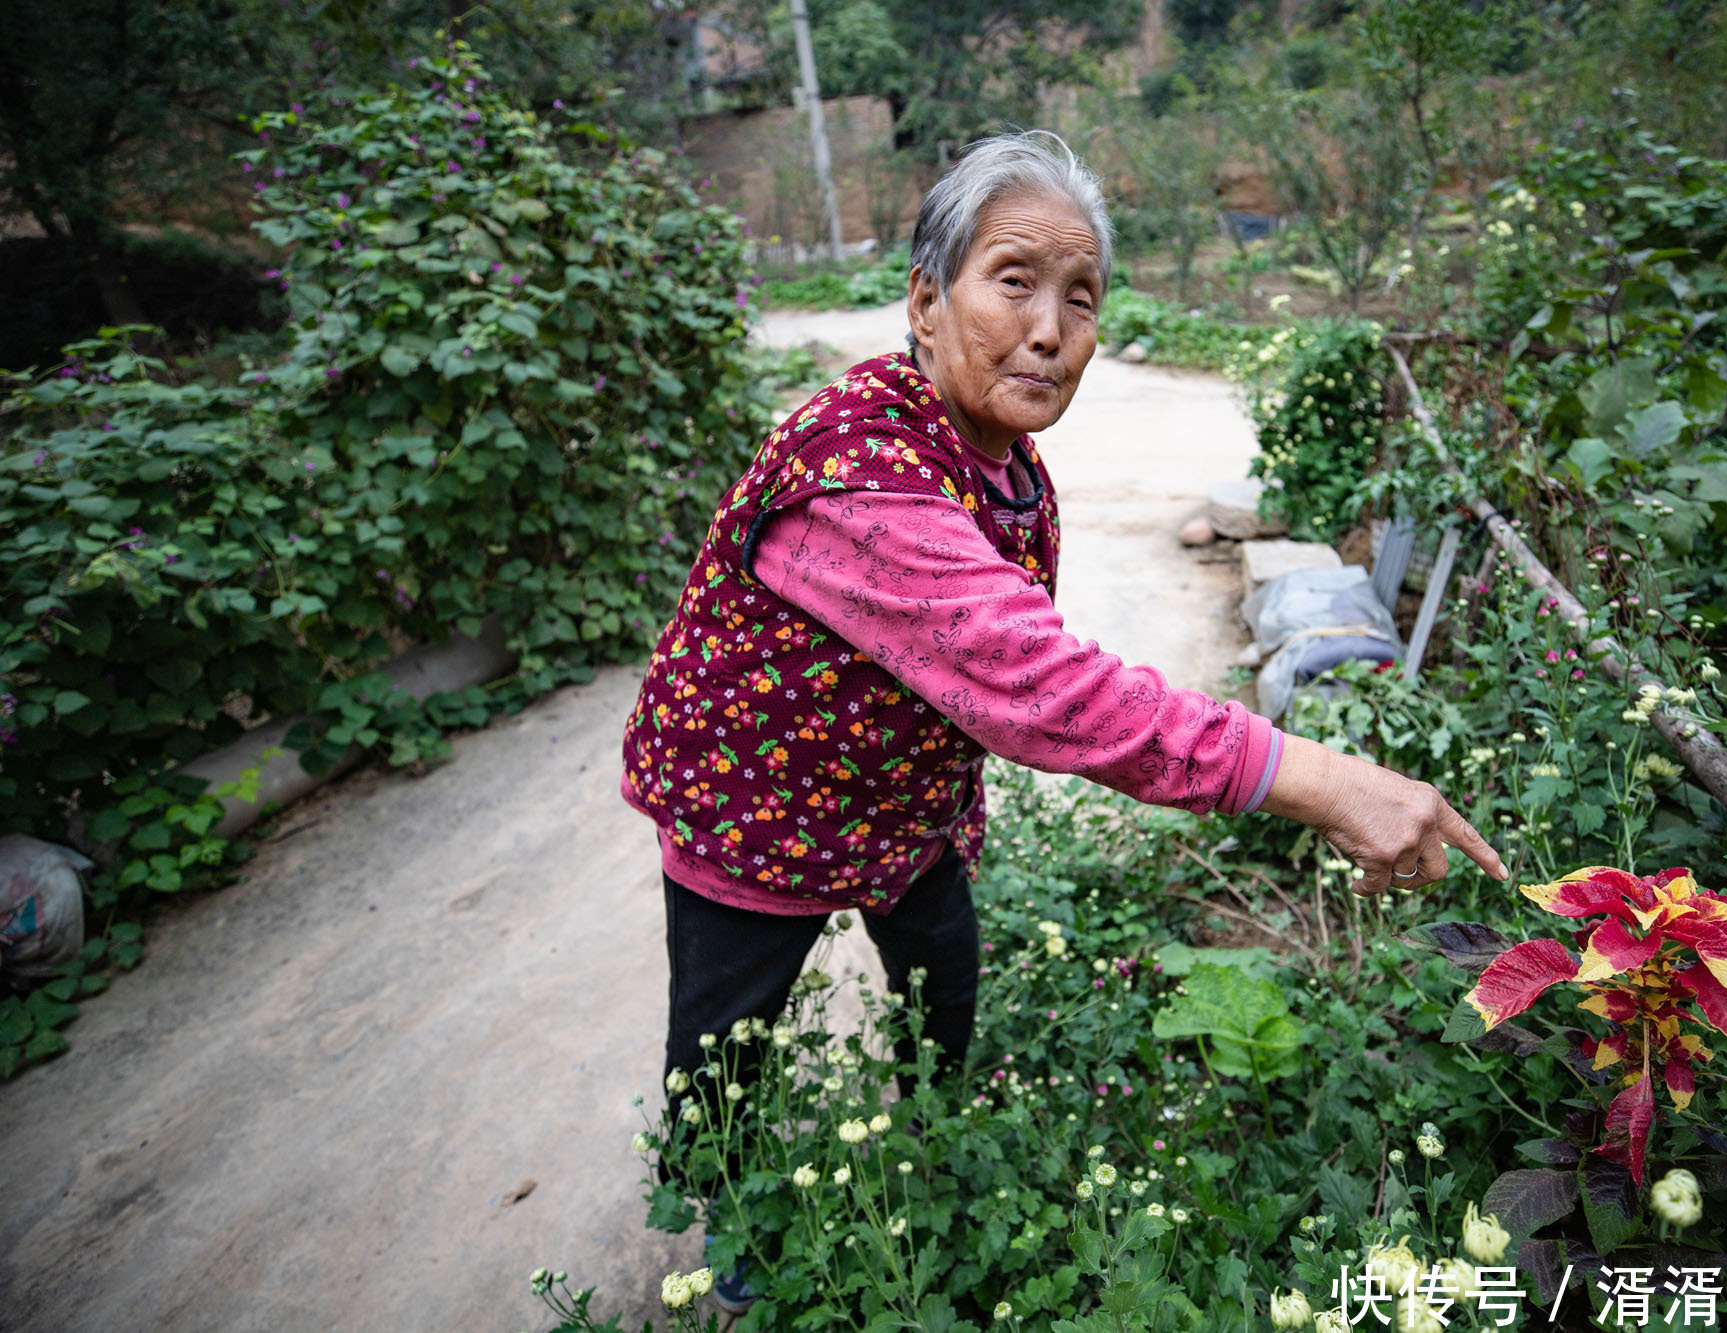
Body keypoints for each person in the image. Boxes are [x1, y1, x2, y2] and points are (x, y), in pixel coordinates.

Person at [620, 130, 1505, 1310]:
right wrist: (1323, 778)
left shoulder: (1000, 454)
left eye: (1079, 297)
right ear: (926, 301)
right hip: (753, 804)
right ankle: (721, 1223)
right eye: (1013, 281)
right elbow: (1039, 685)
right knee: (723, 1045)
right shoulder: (857, 469)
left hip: (901, 803)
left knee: (942, 981)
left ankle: (927, 1138)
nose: (1050, 328)